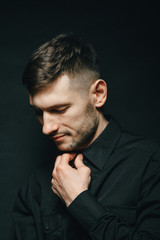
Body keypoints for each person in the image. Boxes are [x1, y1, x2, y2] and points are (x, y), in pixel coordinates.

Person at [12, 33, 160, 240]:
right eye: (39, 112)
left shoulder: (152, 163)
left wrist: (79, 201)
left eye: (59, 109)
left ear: (98, 94)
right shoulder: (37, 183)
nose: (46, 128)